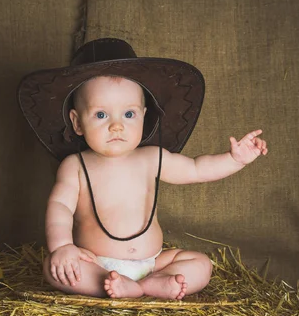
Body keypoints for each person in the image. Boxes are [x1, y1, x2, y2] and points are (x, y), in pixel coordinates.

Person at [17, 38, 267, 299]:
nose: (117, 126)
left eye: (129, 114)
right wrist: (63, 247)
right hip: (97, 264)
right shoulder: (75, 166)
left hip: (152, 263)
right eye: (101, 115)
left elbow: (197, 169)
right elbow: (60, 207)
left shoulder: (152, 158)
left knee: (200, 263)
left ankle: (147, 284)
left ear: (144, 117)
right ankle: (114, 284)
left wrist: (235, 159)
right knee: (54, 268)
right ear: (77, 122)